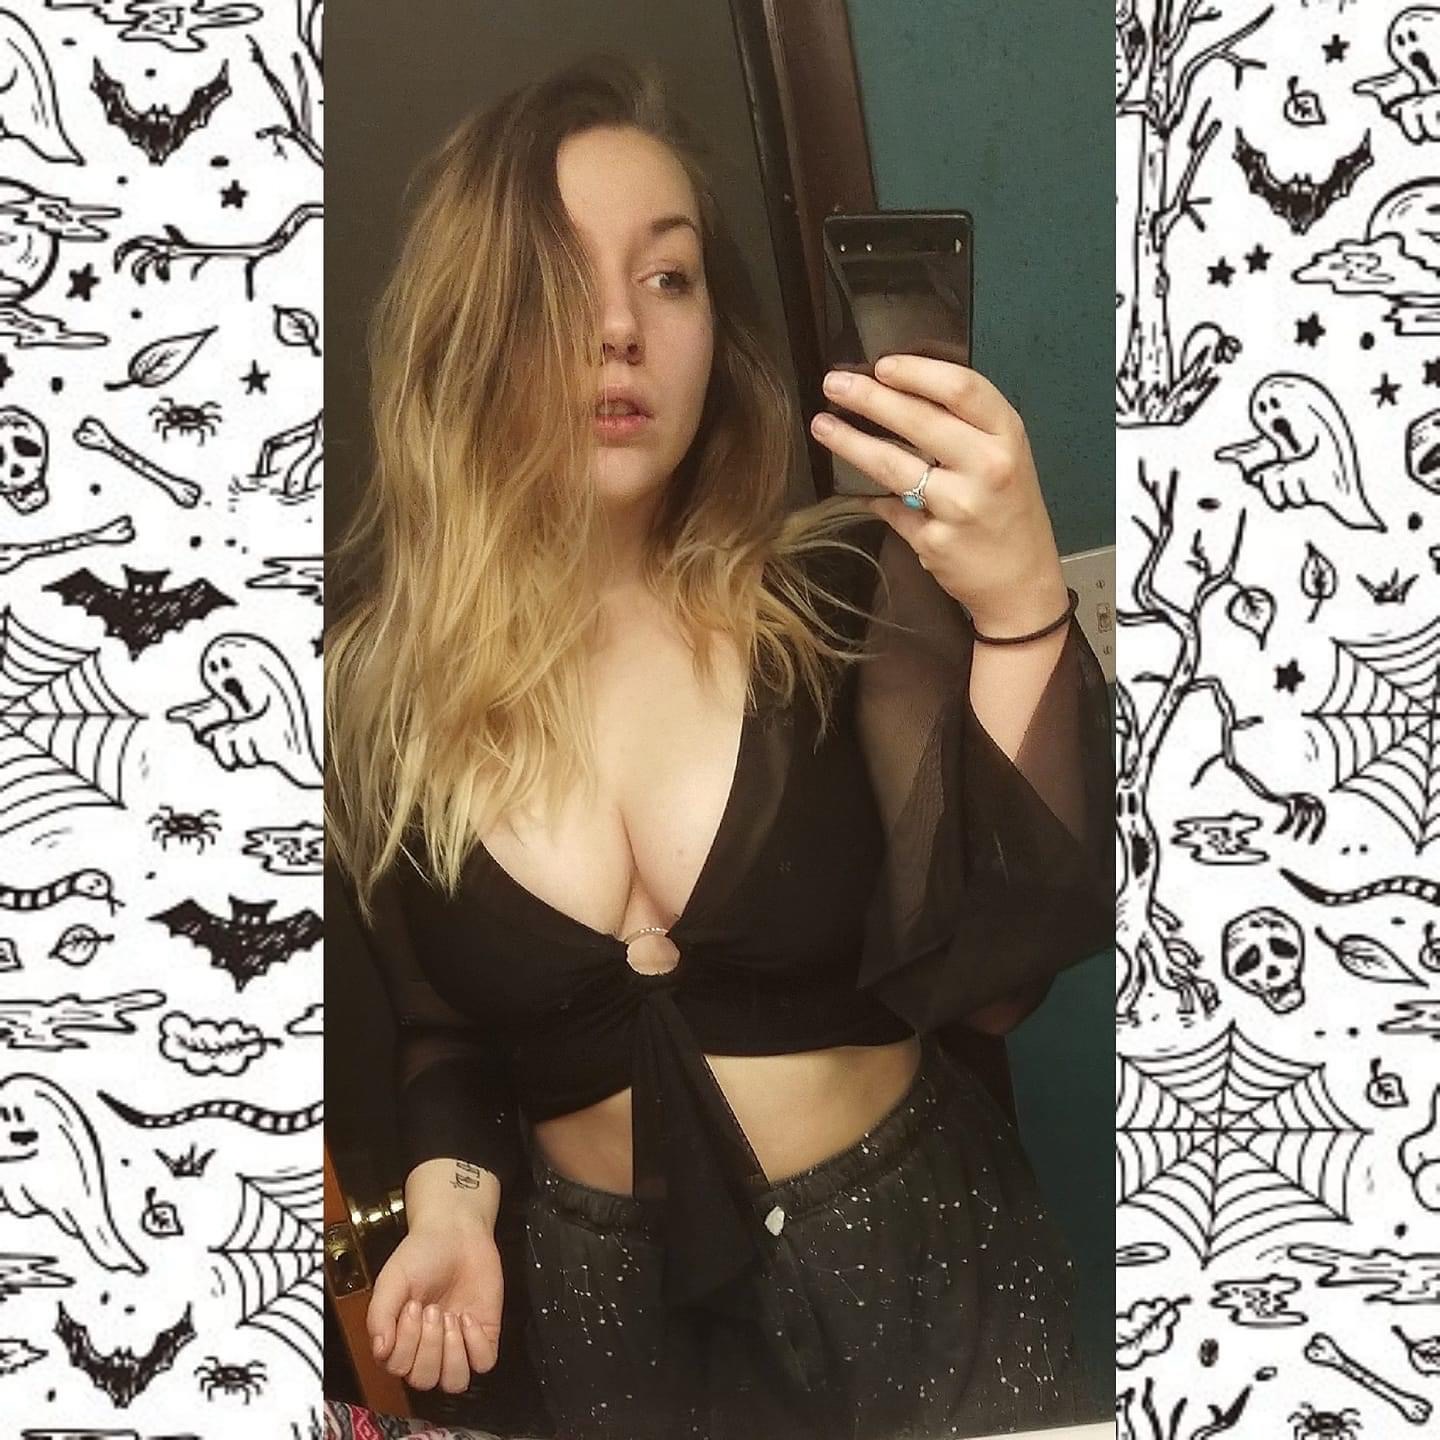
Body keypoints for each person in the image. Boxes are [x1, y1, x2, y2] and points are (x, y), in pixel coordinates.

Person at [325, 52, 1111, 1440]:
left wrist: (1019, 611)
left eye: (669, 276)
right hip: (604, 1322)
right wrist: (452, 1206)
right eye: (556, 276)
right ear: (466, 322)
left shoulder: (844, 598)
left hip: (921, 1271)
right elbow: (447, 1030)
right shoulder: (382, 695)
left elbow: (997, 983)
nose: (619, 328)